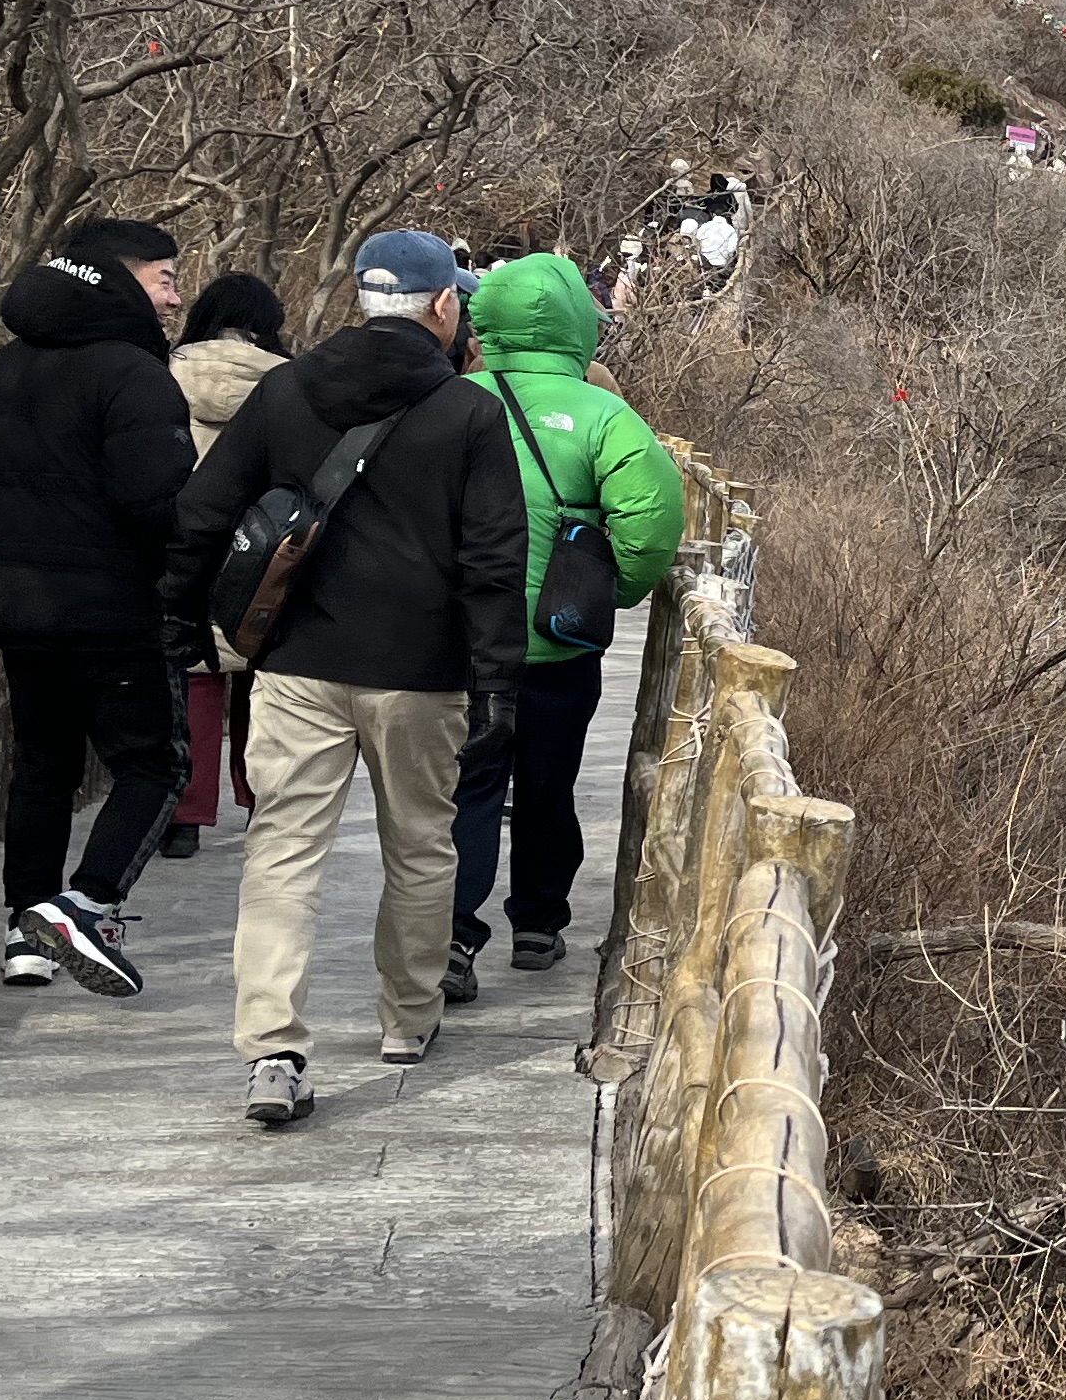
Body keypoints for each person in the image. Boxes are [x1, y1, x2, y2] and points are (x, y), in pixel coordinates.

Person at [163, 231, 523, 1131]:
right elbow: (493, 560)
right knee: (421, 846)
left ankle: (272, 1049)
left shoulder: (286, 389)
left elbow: (202, 512)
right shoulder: (469, 413)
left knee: (282, 851)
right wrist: (498, 681)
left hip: (296, 666)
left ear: (363, 299)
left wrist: (179, 621)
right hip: (422, 672)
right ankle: (408, 1019)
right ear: (444, 305)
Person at [0, 216, 194, 997]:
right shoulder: (131, 373)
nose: (174, 298)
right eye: (164, 279)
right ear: (121, 277)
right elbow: (158, 504)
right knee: (155, 766)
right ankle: (83, 905)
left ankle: (22, 932)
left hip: (17, 603)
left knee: (43, 765)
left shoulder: (10, 363)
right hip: (112, 608)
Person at [443, 254, 685, 1005]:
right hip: (558, 641)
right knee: (548, 784)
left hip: (461, 641)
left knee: (466, 786)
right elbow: (651, 521)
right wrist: (614, 592)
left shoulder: (449, 401)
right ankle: (539, 923)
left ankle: (451, 935)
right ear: (581, 322)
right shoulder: (603, 414)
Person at [161, 275, 292, 859]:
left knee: (194, 676)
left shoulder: (165, 372)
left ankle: (184, 817)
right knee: (260, 679)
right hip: (264, 546)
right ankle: (262, 805)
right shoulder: (288, 382)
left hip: (184, 538)